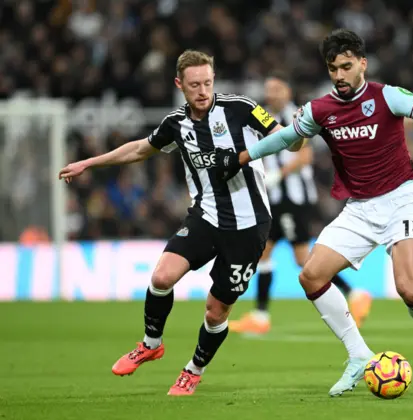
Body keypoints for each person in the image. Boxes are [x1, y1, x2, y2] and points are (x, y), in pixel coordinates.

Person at [213, 29, 413, 396]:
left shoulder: (386, 96)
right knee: (310, 276)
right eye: (333, 69)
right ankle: (358, 355)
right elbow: (286, 139)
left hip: (402, 199)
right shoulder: (319, 110)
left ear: (363, 64)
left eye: (346, 66)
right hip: (359, 209)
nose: (340, 75)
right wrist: (242, 158)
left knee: (409, 289)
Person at [58, 50, 287, 395]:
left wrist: (245, 156)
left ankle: (193, 370)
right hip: (206, 216)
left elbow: (287, 137)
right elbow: (139, 149)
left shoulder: (239, 108)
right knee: (162, 276)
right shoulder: (176, 124)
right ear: (180, 84)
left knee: (215, 311)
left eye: (208, 82)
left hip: (250, 226)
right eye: (194, 84)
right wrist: (89, 163)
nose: (203, 91)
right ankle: (151, 343)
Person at [229, 73, 372, 335]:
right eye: (269, 89)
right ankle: (260, 316)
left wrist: (278, 176)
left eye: (277, 88)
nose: (272, 93)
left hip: (292, 200)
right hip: (274, 200)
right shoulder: (262, 118)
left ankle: (354, 294)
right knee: (265, 253)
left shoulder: (297, 115)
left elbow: (304, 155)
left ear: (288, 91)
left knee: (302, 259)